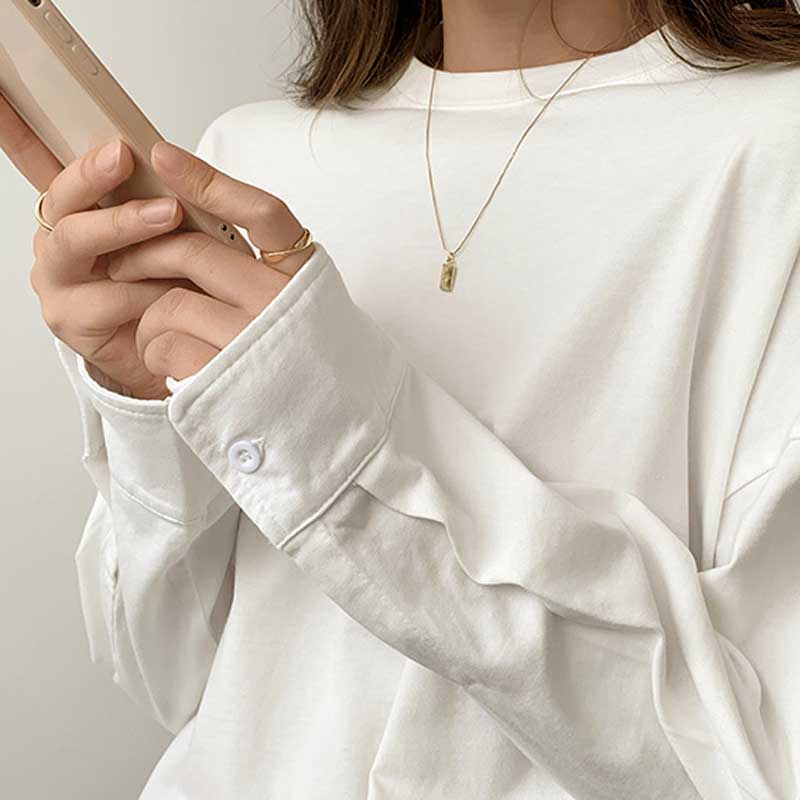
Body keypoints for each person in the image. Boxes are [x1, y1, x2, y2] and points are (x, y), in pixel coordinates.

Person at [2, 0, 800, 797]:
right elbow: (177, 680)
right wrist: (144, 400)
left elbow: (742, 766)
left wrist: (334, 439)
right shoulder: (250, 156)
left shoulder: (773, 152)